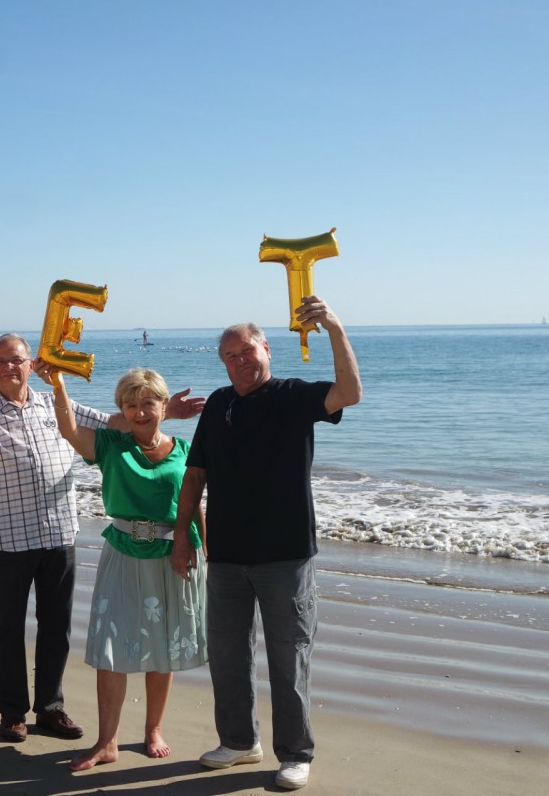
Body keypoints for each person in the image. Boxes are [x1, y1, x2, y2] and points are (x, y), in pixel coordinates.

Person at [0, 333, 204, 744]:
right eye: (0, 362)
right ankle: (12, 713)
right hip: (8, 539)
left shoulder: (49, 403)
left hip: (58, 532)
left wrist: (165, 413)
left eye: (17, 359)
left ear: (29, 364)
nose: (9, 367)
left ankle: (50, 709)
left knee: (56, 627)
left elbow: (109, 422)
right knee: (8, 629)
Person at [170, 295, 361, 791]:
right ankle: (238, 741)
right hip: (227, 555)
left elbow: (350, 391)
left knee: (288, 655)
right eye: (230, 355)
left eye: (247, 351)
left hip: (286, 555)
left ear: (266, 350)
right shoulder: (218, 403)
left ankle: (295, 753)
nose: (239, 361)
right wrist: (182, 536)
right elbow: (195, 475)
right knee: (228, 653)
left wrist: (335, 328)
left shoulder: (293, 396)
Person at [51, 367, 206, 771]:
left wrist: (207, 552)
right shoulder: (108, 444)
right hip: (122, 553)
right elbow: (68, 429)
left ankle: (153, 729)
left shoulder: (185, 449)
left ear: (162, 405)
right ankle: (107, 741)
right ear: (120, 409)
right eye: (131, 405)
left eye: (148, 403)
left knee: (163, 649)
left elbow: (194, 506)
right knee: (109, 649)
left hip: (173, 555)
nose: (140, 412)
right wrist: (59, 385)